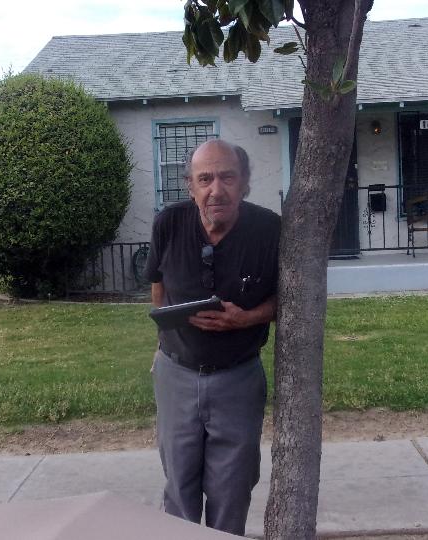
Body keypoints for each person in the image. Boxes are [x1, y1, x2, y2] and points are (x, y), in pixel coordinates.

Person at [143, 139, 280, 535]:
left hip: (238, 377)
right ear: (191, 186)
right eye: (205, 179)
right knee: (179, 486)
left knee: (232, 489)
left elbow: (288, 298)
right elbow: (158, 283)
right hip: (176, 375)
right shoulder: (169, 224)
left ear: (245, 183)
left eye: (227, 178)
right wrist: (161, 340)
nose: (216, 190)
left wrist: (247, 318)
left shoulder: (269, 229)